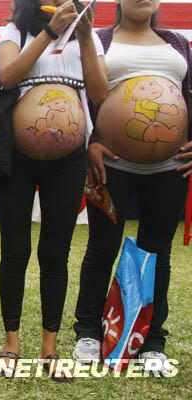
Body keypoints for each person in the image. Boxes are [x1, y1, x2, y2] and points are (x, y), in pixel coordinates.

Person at [73, 0, 192, 376]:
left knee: (158, 253)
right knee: (102, 247)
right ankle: (89, 332)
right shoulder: (101, 40)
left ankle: (153, 340)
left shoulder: (177, 43)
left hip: (170, 168)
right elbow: (84, 94)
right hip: (110, 169)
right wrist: (91, 140)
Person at [0, 0, 107, 381]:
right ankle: (11, 344)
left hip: (69, 160)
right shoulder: (16, 32)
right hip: (16, 158)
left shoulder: (88, 40)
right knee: (14, 250)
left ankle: (50, 348)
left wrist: (86, 37)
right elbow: (8, 76)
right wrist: (50, 33)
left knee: (55, 253)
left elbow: (101, 91)